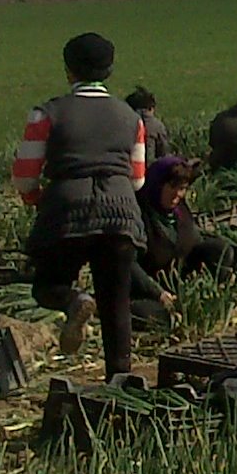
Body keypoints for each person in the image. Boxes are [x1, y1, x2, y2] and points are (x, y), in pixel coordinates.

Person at [13, 32, 146, 373]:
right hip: (120, 213)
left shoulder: (46, 113)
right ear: (109, 71)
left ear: (69, 71)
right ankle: (121, 382)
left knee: (46, 285)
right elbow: (138, 178)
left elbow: (26, 176)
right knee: (116, 303)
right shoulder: (132, 118)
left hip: (66, 206)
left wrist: (36, 199)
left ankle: (74, 300)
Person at [128, 157, 234, 328]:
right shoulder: (139, 213)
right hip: (146, 291)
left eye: (182, 188)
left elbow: (195, 241)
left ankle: (199, 304)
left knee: (220, 248)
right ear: (157, 185)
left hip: (179, 284)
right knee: (152, 315)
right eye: (172, 187)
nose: (177, 195)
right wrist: (159, 293)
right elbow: (129, 265)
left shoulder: (180, 211)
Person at [125, 87, 170, 162]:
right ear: (151, 108)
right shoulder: (158, 126)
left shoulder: (126, 124)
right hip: (151, 169)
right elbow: (164, 152)